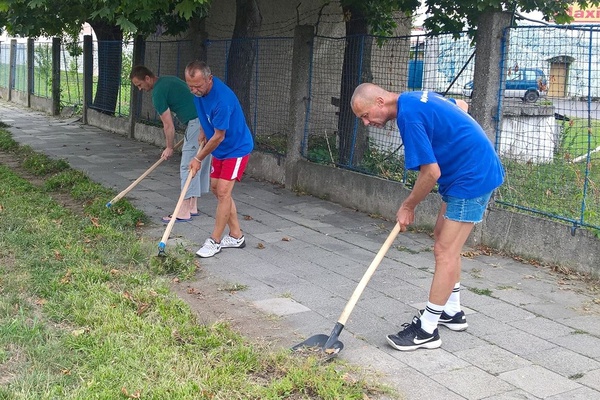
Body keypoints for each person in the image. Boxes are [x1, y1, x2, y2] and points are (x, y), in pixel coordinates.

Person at [351, 84, 504, 351]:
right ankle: (452, 312)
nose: (366, 123)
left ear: (379, 101)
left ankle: (427, 330)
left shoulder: (408, 115)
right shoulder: (413, 99)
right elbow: (459, 106)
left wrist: (408, 206)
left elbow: (430, 173)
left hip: (472, 178)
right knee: (441, 238)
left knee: (445, 250)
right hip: (464, 175)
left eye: (365, 115)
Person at [184, 60, 254, 258]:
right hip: (220, 149)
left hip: (236, 148)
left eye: (198, 86)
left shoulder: (222, 100)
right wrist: (201, 130)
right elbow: (205, 116)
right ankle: (236, 235)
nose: (195, 90)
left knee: (223, 192)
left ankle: (215, 240)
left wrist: (198, 158)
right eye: (190, 86)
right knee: (216, 189)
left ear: (209, 79)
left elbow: (219, 136)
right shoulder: (199, 93)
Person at [129, 65, 211, 222]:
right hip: (206, 121)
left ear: (147, 78)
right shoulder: (168, 80)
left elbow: (168, 125)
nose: (140, 89)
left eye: (140, 85)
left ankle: (184, 211)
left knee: (189, 165)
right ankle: (192, 207)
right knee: (198, 162)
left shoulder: (158, 93)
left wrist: (169, 147)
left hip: (196, 123)